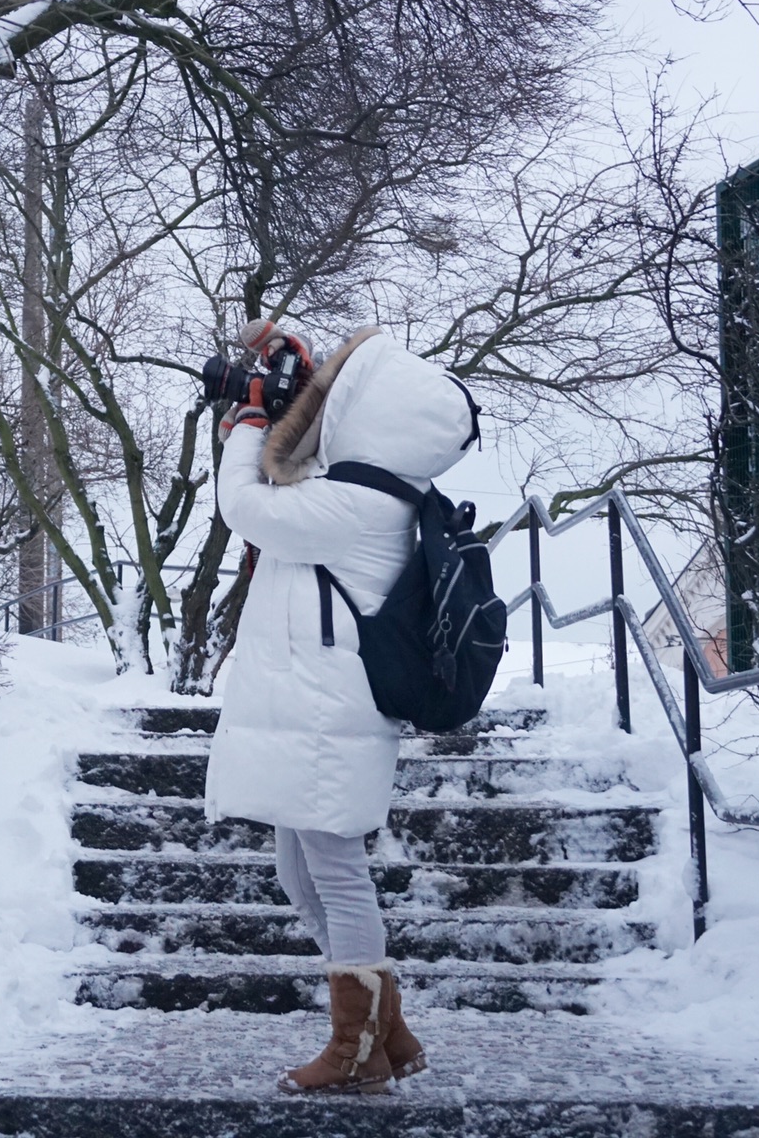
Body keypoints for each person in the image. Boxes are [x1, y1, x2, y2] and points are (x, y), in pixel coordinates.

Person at [204, 322, 481, 1095]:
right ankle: (385, 1027)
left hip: (328, 718)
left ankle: (355, 1046)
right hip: (313, 709)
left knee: (333, 868)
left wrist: (249, 424)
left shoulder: (360, 505)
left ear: (377, 418)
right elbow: (302, 460)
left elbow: (245, 507)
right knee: (298, 871)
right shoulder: (364, 490)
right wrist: (291, 372)